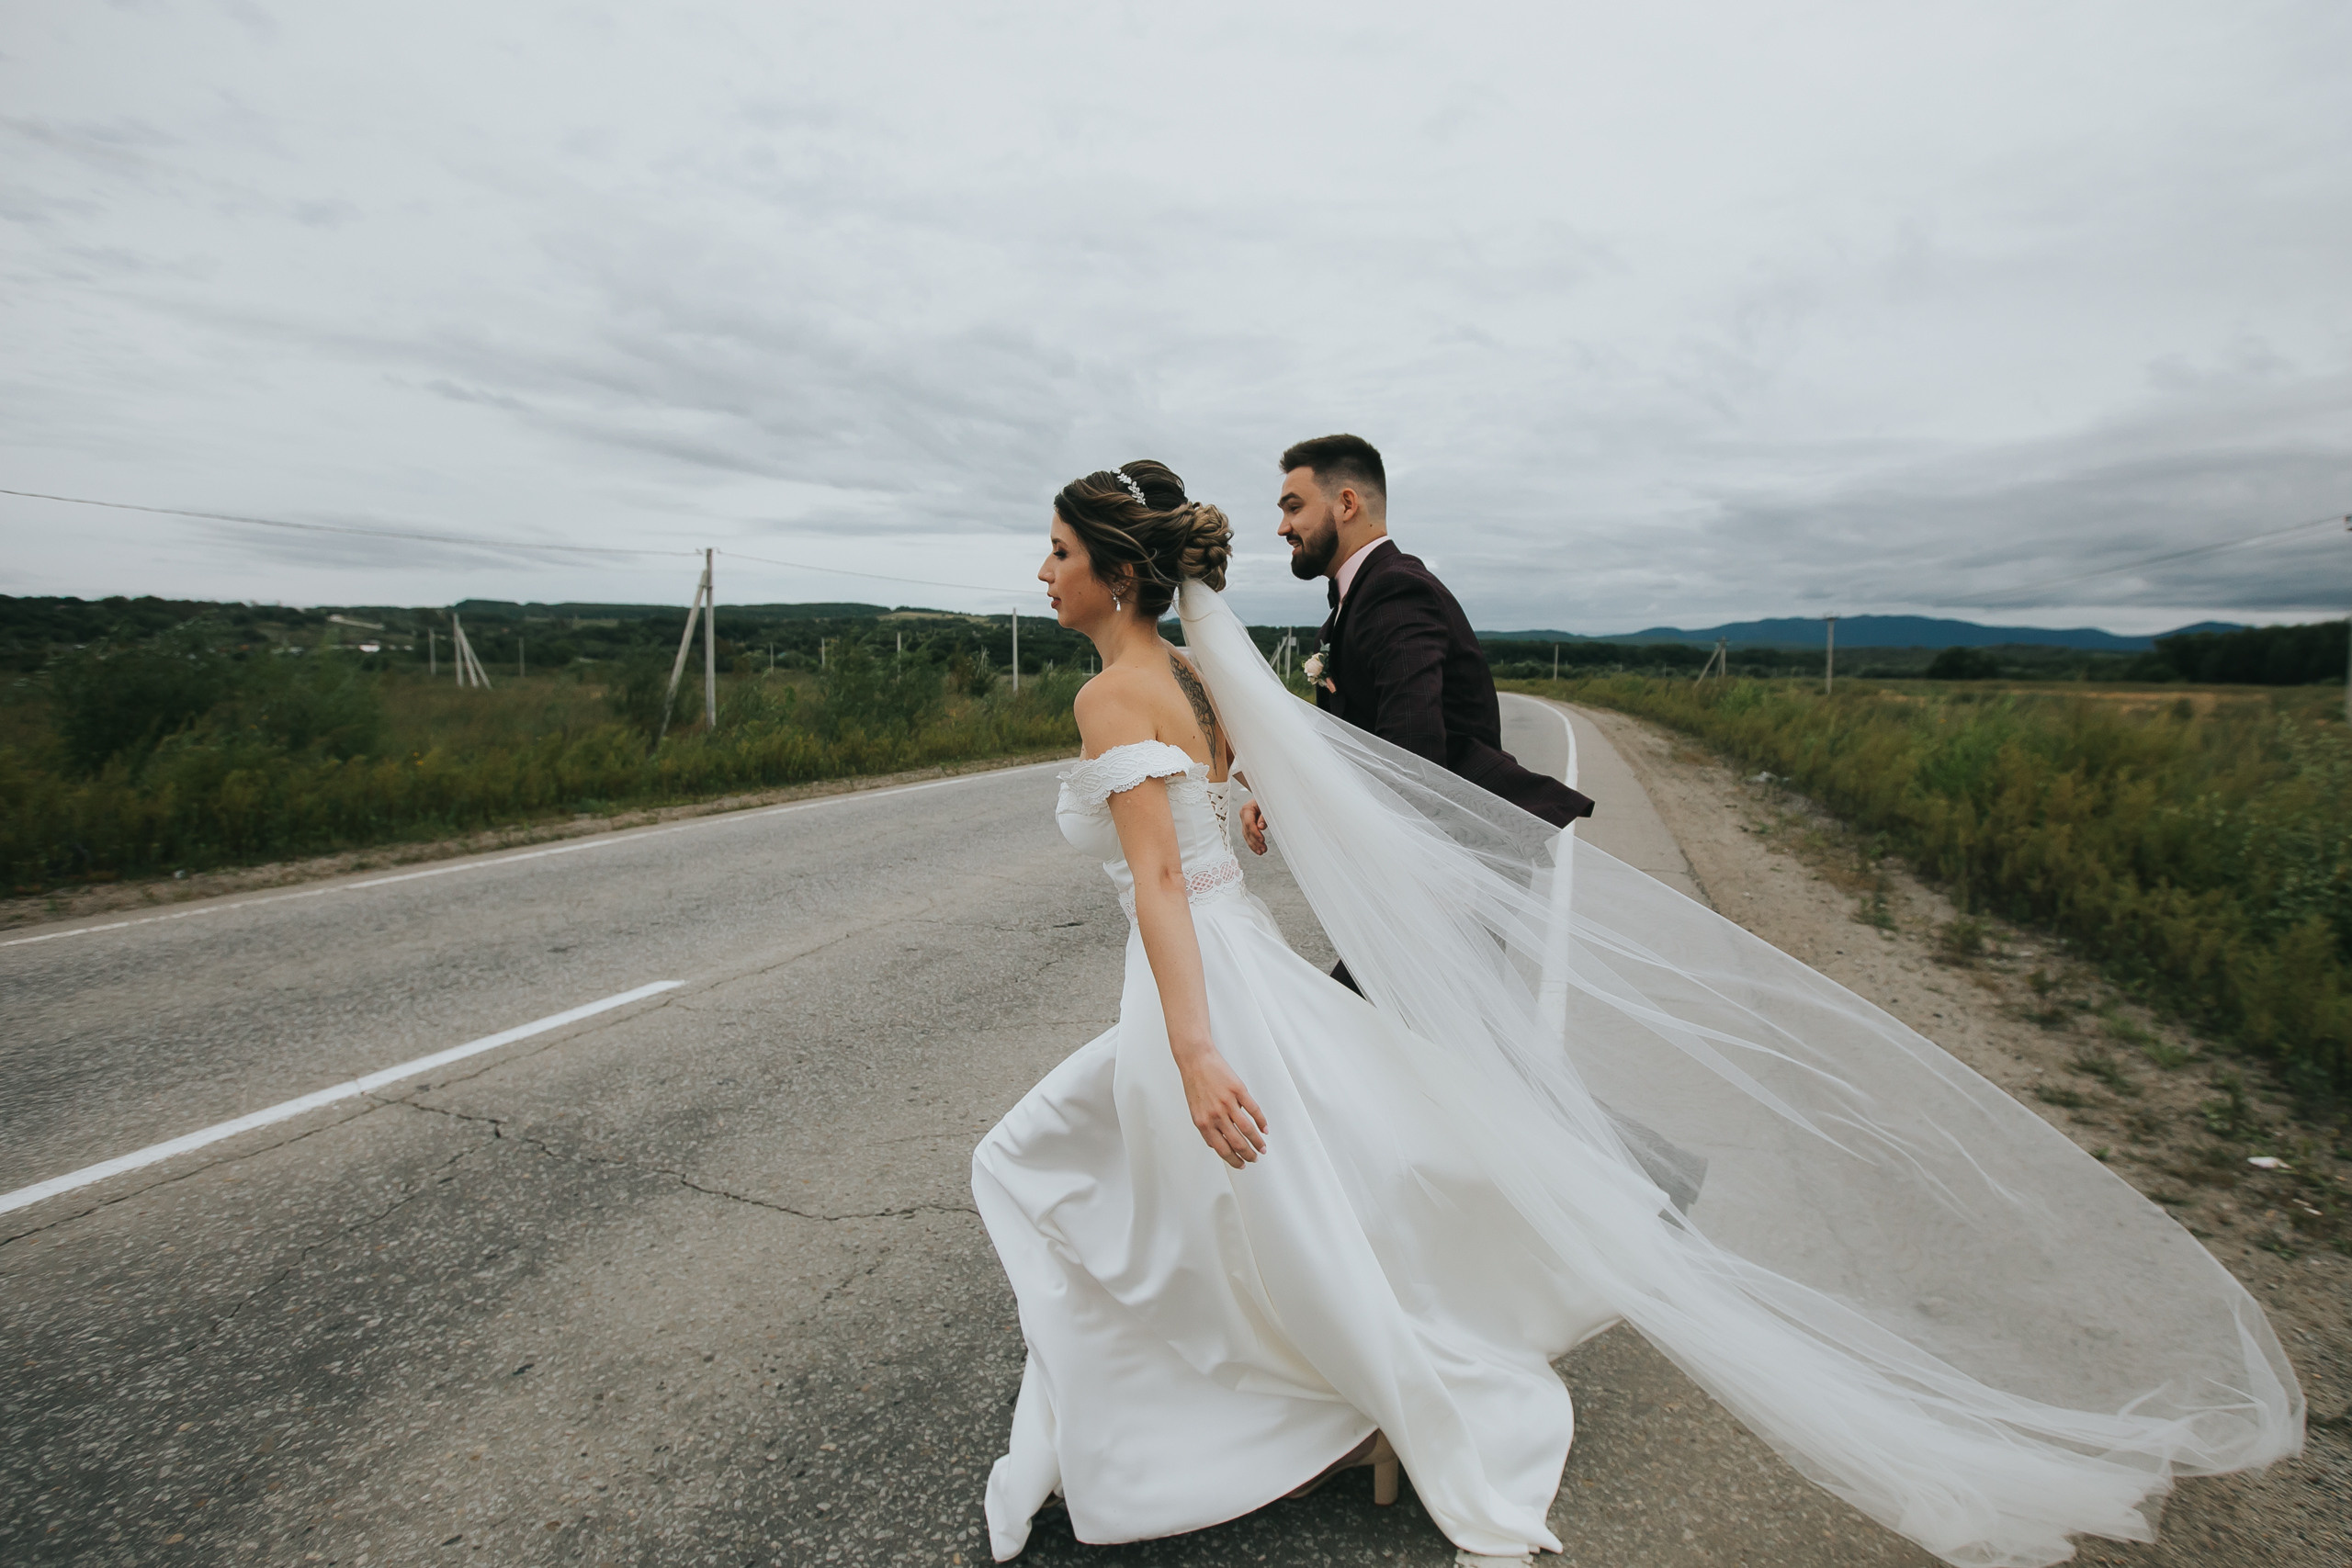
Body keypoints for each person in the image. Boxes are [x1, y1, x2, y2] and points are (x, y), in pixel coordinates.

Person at [972, 460, 2301, 1568]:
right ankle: (1348, 1388)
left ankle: (1329, 1390)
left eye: (1053, 552)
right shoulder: (1200, 683)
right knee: (1277, 1178)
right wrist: (1246, 816)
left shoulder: (1108, 693)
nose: (1041, 574)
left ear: (1117, 572)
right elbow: (1227, 815)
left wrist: (1197, 1041)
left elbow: (1161, 877)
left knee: (1109, 1166)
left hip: (1198, 980)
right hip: (1236, 955)